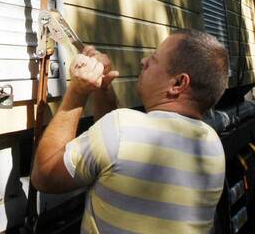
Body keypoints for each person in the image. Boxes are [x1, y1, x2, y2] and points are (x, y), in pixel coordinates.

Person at [31, 29, 229, 233]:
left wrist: (77, 92)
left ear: (178, 83)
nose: (143, 61)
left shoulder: (121, 129)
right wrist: (103, 90)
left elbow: (44, 176)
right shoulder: (212, 144)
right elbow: (112, 158)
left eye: (153, 59)